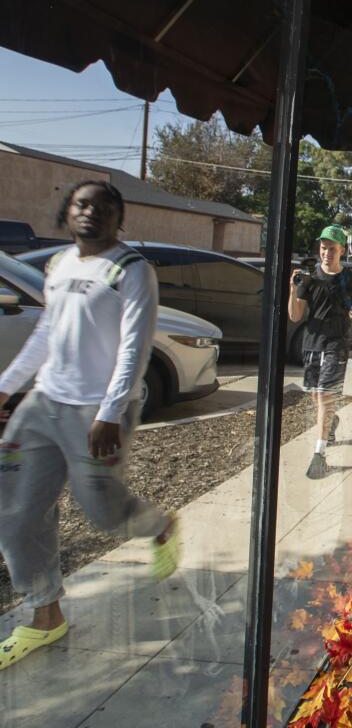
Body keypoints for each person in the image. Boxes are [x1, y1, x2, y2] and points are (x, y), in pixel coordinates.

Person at [0, 180, 180, 671]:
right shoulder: (58, 265)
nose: (91, 213)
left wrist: (109, 413)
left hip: (97, 411)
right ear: (67, 211)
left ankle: (159, 525)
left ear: (119, 218)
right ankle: (44, 615)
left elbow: (134, 347)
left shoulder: (131, 269)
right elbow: (46, 333)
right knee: (14, 510)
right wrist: (7, 385)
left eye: (104, 207)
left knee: (102, 511)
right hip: (43, 404)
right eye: (82, 204)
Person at [288, 225, 352, 479]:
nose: (326, 253)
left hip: (336, 345)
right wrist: (292, 289)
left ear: (341, 250)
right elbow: (295, 316)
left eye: (331, 248)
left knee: (325, 395)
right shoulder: (309, 278)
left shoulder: (350, 280)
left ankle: (319, 453)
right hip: (311, 344)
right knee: (316, 397)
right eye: (323, 248)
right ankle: (331, 422)